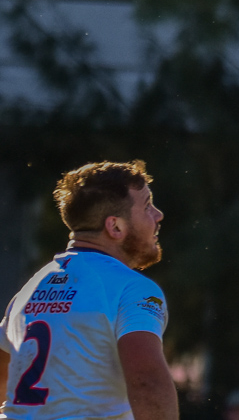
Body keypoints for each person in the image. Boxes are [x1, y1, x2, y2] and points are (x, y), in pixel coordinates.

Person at [0, 160, 178, 420]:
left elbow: (4, 374)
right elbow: (146, 381)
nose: (158, 215)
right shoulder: (132, 287)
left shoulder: (30, 287)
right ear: (115, 226)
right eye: (147, 206)